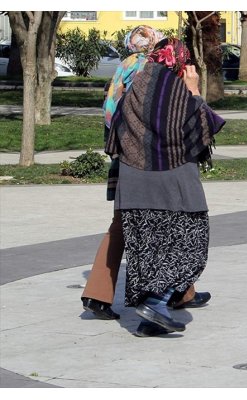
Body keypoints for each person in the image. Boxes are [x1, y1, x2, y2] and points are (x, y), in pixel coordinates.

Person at [81, 27, 209, 334]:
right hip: (161, 165)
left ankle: (173, 295)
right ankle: (158, 298)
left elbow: (112, 110)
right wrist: (194, 91)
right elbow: (195, 129)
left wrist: (125, 145)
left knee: (139, 230)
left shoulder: (130, 72)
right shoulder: (167, 83)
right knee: (173, 231)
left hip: (129, 157)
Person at [105, 37, 225, 335]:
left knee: (148, 249)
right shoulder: (178, 90)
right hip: (174, 183)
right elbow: (201, 132)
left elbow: (114, 130)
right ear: (180, 61)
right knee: (192, 243)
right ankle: (156, 301)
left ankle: (150, 322)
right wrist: (195, 90)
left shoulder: (135, 86)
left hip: (134, 184)